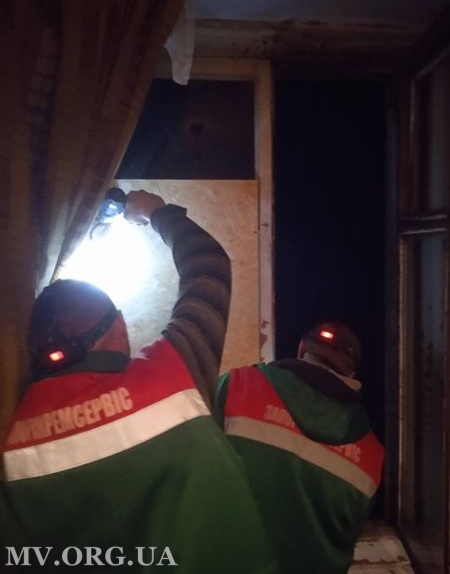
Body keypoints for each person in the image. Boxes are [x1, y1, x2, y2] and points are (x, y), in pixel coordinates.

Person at [0, 190, 278, 573]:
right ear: (119, 325)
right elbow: (209, 266)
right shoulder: (174, 372)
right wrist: (155, 211)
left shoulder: (12, 429)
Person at [215, 321, 385, 574]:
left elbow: (192, 466)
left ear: (301, 348)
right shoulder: (371, 454)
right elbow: (347, 535)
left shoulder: (239, 385)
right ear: (351, 373)